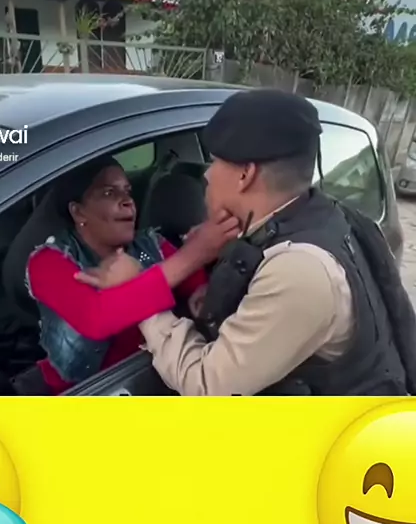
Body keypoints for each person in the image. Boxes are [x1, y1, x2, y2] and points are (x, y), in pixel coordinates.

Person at [83, 90, 416, 396]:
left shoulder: (300, 270)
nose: (207, 174)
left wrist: (141, 296)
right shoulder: (326, 216)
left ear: (245, 174)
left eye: (216, 162)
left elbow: (207, 385)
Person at [24, 156, 239, 394]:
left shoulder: (151, 245)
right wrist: (195, 253)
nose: (127, 201)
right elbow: (96, 318)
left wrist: (201, 297)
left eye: (127, 191)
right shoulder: (49, 261)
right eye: (109, 193)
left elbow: (199, 290)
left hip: (146, 375)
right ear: (78, 212)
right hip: (80, 391)